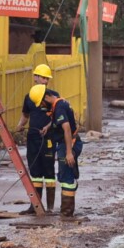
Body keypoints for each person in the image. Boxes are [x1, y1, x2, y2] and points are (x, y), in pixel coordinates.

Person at [40, 87, 83, 218]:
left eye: (42, 103)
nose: (42, 107)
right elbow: (57, 122)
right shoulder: (59, 104)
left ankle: (67, 212)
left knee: (66, 177)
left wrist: (69, 152)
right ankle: (66, 210)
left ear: (47, 97)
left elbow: (67, 129)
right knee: (65, 175)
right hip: (66, 144)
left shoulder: (58, 108)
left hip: (68, 144)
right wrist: (48, 127)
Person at [19, 66, 56, 214]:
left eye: (47, 78)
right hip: (33, 138)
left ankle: (50, 207)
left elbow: (57, 117)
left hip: (48, 139)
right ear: (35, 77)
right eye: (42, 77)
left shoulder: (52, 97)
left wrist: (48, 126)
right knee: (34, 171)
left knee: (48, 171)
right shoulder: (29, 97)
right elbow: (25, 115)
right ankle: (35, 205)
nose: (45, 81)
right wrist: (20, 125)